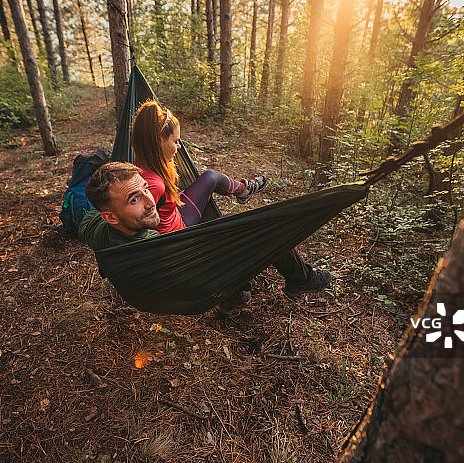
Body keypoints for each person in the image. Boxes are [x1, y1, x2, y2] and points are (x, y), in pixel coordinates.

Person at [79, 162, 332, 314]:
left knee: (233, 219)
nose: (150, 201)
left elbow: (86, 220)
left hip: (181, 274)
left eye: (146, 189)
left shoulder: (96, 226)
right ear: (110, 217)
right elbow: (198, 271)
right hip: (197, 283)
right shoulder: (153, 248)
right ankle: (301, 278)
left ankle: (237, 294)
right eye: (134, 199)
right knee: (264, 229)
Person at [130, 100, 268, 233]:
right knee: (237, 219)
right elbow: (136, 230)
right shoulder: (153, 186)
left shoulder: (144, 161)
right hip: (178, 234)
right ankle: (245, 191)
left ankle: (245, 190)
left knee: (211, 177)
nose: (179, 146)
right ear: (159, 142)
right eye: (176, 141)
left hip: (174, 214)